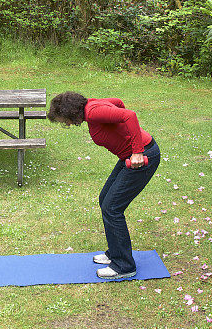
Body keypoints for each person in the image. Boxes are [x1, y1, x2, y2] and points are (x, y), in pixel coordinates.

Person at [48, 91, 160, 280]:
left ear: (69, 112)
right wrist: (121, 132)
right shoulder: (93, 105)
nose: (65, 124)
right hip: (129, 156)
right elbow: (118, 102)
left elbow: (129, 115)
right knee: (105, 200)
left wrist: (137, 151)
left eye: (63, 120)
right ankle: (115, 253)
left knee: (112, 208)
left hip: (143, 157)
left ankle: (124, 266)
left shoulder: (92, 112)